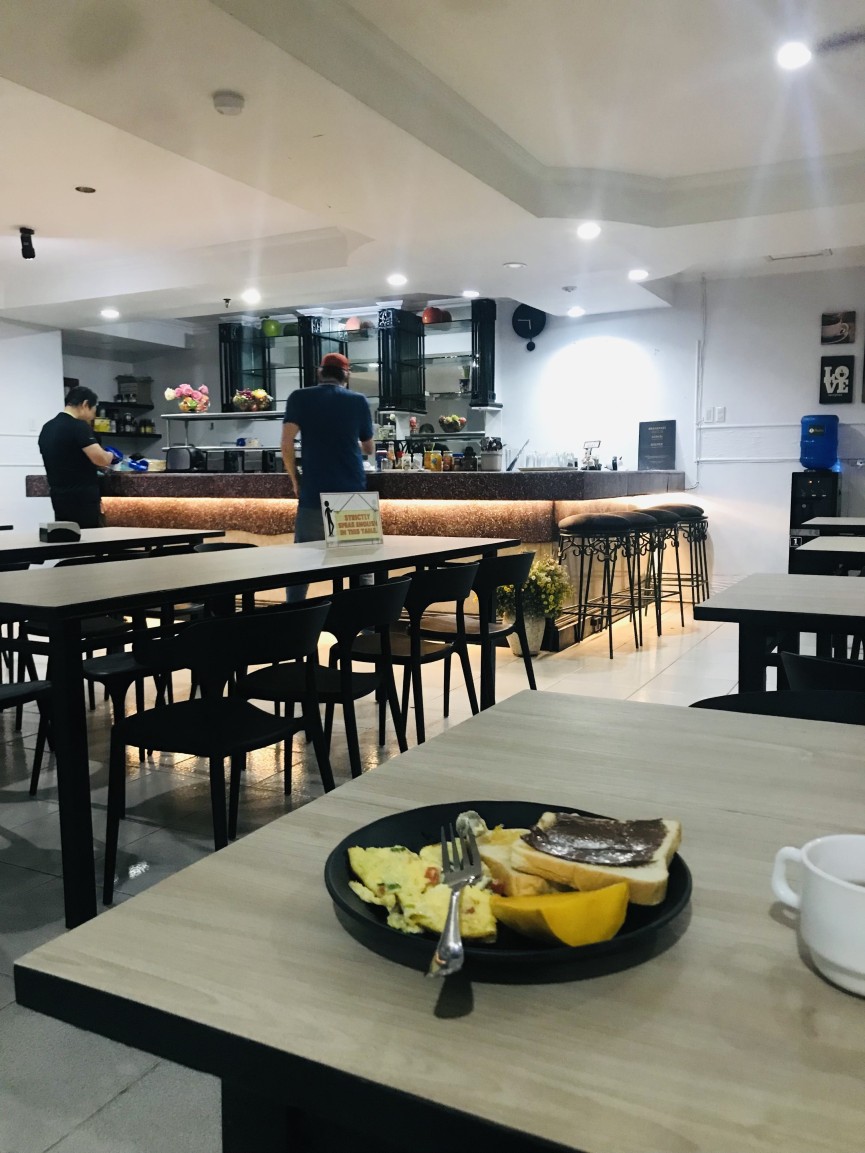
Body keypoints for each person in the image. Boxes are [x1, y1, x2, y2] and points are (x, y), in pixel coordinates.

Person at [281, 352, 374, 600]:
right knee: (362, 565)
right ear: (346, 375)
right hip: (352, 492)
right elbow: (369, 447)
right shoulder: (359, 401)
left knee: (302, 565)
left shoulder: (299, 397)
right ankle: (366, 620)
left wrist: (295, 479)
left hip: (314, 491)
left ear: (320, 372)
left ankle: (295, 616)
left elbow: (286, 443)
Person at [38, 386, 119, 527]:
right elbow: (100, 459)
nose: (93, 415)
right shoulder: (78, 427)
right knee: (89, 537)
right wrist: (111, 455)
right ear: (85, 404)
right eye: (93, 409)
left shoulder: (47, 427)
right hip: (82, 498)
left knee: (67, 535)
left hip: (58, 496)